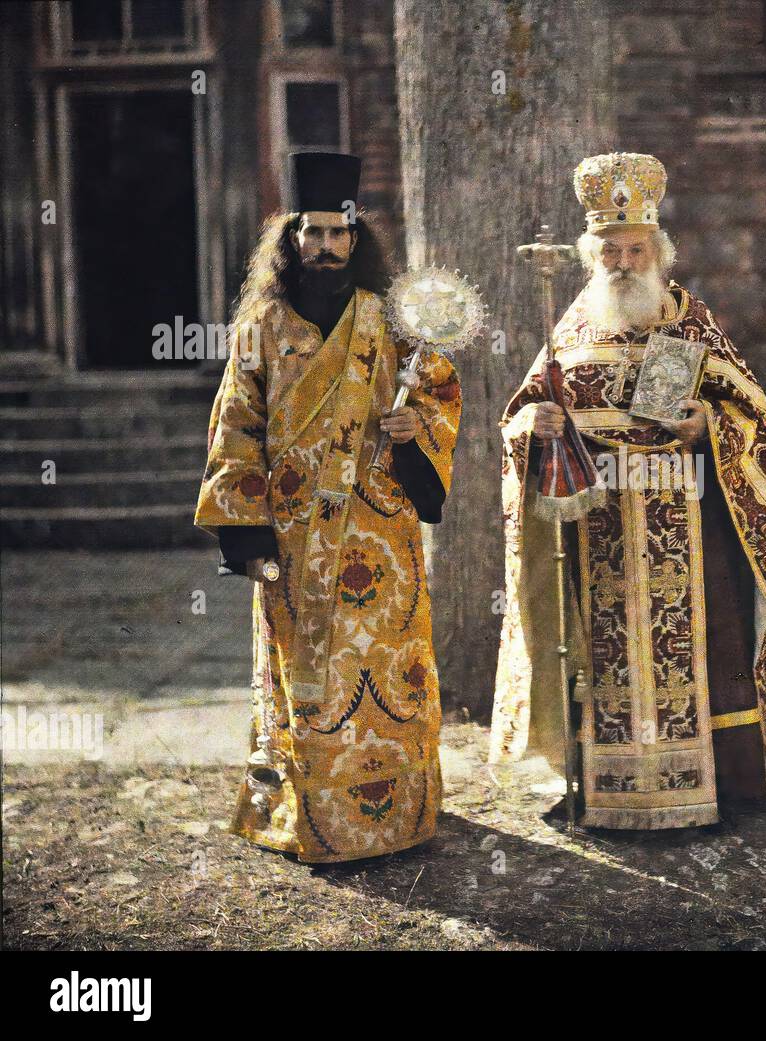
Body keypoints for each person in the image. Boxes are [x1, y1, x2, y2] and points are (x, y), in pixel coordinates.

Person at [491, 152, 766, 829]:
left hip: (690, 532)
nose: (625, 261)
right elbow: (518, 416)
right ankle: (599, 790)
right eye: (611, 250)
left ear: (658, 250)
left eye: (636, 248)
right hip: (598, 532)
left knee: (707, 649)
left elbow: (755, 415)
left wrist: (708, 425)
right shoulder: (569, 328)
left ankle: (717, 789)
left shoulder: (692, 322)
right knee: (598, 660)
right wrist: (536, 426)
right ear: (591, 255)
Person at [195, 152, 461, 861]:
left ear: (355, 237)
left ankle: (398, 818)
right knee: (304, 678)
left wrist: (415, 433)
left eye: (337, 233)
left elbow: (435, 394)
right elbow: (235, 427)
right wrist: (245, 537)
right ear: (290, 239)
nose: (324, 246)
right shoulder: (262, 323)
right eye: (310, 234)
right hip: (289, 539)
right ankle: (303, 817)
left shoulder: (392, 318)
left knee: (388, 672)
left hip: (380, 532)